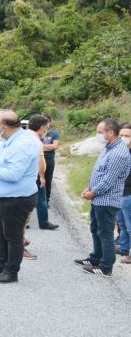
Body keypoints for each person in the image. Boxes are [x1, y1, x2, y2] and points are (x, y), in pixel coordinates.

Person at [0, 111, 40, 283]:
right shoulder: (10, 142)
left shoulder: (23, 144)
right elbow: (1, 159)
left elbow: (14, 174)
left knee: (13, 236)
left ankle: (11, 271)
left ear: (4, 127)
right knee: (2, 231)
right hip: (5, 198)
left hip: (17, 199)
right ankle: (1, 262)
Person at [75, 119, 131, 277]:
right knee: (95, 229)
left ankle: (106, 267)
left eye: (100, 132)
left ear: (111, 133)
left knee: (105, 233)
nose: (98, 135)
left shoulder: (118, 153)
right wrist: (90, 188)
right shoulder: (108, 147)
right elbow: (100, 172)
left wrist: (93, 192)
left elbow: (109, 180)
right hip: (98, 197)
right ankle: (95, 258)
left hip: (106, 200)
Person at [28, 115, 59, 230]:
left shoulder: (23, 136)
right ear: (41, 127)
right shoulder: (36, 141)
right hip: (34, 174)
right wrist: (41, 176)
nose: (46, 130)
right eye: (45, 127)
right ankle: (43, 222)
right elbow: (39, 160)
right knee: (41, 198)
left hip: (26, 174)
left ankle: (25, 222)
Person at [115, 122, 131, 264]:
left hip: (128, 194)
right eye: (121, 135)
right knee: (122, 223)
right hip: (119, 193)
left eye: (127, 136)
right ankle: (124, 247)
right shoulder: (121, 151)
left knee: (130, 225)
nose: (124, 138)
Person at [42, 115, 60, 204]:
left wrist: (40, 146)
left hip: (49, 160)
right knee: (37, 180)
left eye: (46, 121)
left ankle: (46, 200)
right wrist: (48, 147)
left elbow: (55, 146)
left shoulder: (54, 133)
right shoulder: (38, 133)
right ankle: (37, 201)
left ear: (50, 122)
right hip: (38, 160)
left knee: (48, 181)